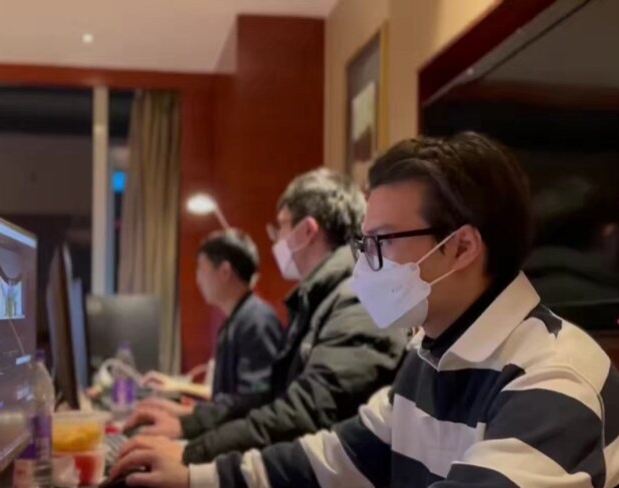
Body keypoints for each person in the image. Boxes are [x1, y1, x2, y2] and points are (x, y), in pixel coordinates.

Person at [112, 133, 619, 488]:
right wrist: (194, 477)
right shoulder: (432, 353)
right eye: (363, 243)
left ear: (461, 246)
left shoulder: (556, 378)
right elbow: (334, 458)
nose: (364, 266)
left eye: (382, 242)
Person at [121, 168, 408, 467]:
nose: (276, 240)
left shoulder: (358, 301)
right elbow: (271, 399)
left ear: (306, 231)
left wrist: (191, 454)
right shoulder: (320, 300)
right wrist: (189, 425)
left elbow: (305, 415)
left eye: (281, 227)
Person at [139, 229, 284, 418]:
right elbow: (225, 396)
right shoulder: (238, 319)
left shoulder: (258, 322)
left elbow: (251, 402)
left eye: (201, 269)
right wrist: (178, 387)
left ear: (225, 271)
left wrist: (187, 414)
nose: (198, 280)